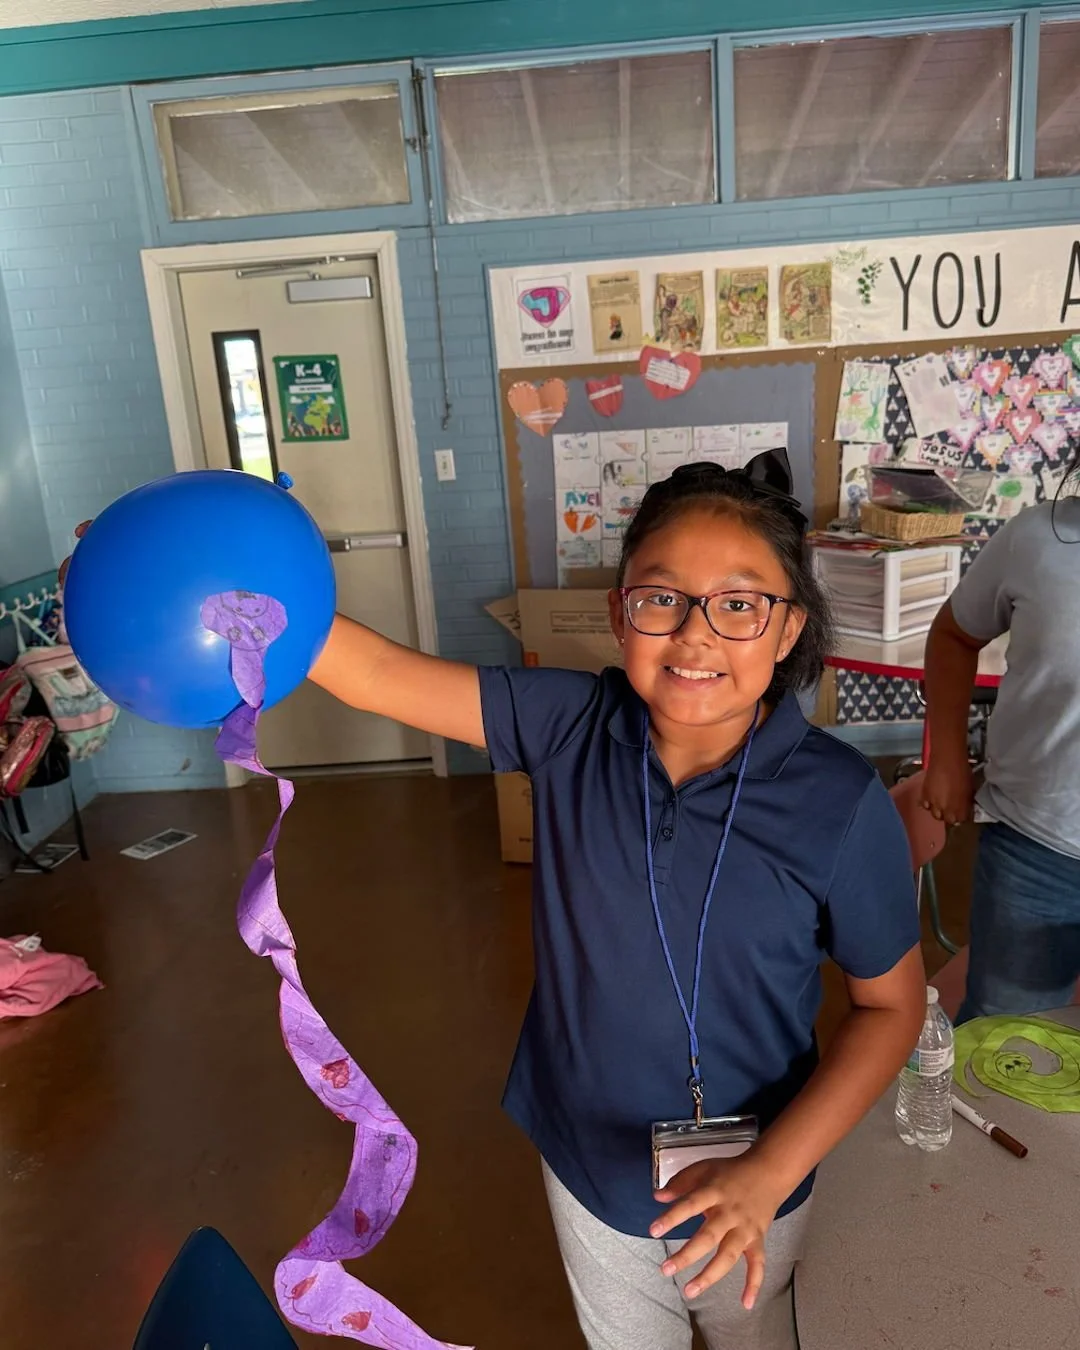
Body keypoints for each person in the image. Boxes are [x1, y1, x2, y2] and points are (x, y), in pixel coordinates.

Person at [305, 457, 926, 1350]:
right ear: (619, 614)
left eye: (741, 603)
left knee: (754, 1335)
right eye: (662, 599)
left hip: (761, 1169)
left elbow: (891, 1005)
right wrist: (221, 577)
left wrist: (768, 1173)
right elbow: (371, 670)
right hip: (590, 1159)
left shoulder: (837, 800)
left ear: (788, 630)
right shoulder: (566, 726)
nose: (697, 635)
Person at [923, 489, 1080, 1024]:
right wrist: (946, 757)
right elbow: (953, 634)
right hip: (1038, 847)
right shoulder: (1039, 537)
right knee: (1005, 1045)